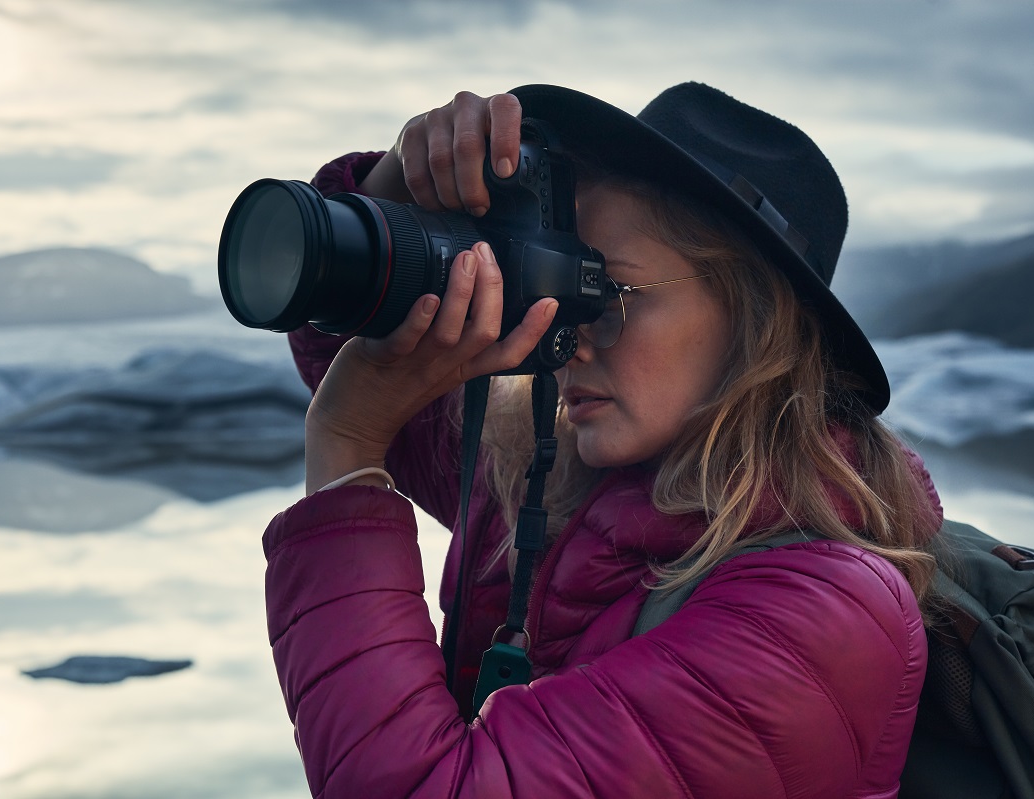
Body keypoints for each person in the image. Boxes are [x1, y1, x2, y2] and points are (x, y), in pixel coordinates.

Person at [263, 84, 944, 798]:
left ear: (758, 324)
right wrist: (398, 187)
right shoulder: (554, 488)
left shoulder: (819, 620)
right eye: (563, 284)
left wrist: (345, 445)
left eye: (608, 295)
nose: (569, 338)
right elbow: (340, 336)